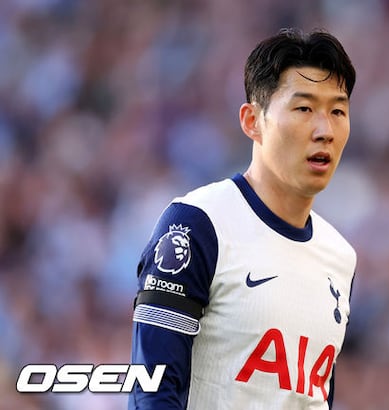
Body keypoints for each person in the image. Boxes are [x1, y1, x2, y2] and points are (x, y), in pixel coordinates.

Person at [129, 28, 357, 409]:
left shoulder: (340, 257)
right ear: (253, 121)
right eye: (304, 109)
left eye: (338, 111)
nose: (325, 131)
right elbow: (151, 391)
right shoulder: (198, 225)